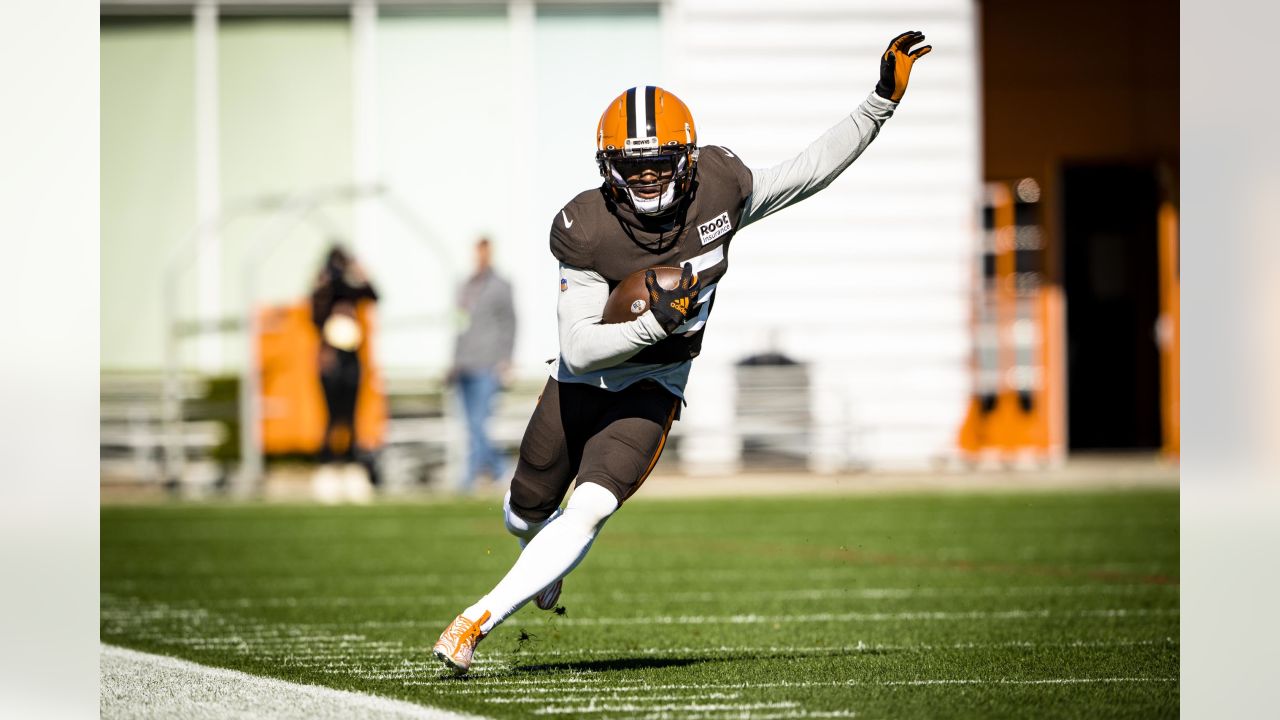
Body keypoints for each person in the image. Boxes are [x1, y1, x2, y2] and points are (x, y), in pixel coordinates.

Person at [432, 31, 931, 673]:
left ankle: (475, 622)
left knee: (587, 509)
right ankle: (538, 562)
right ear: (607, 167)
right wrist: (652, 324)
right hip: (582, 385)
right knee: (523, 512)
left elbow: (807, 172)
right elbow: (580, 351)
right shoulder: (585, 228)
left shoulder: (720, 189)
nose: (646, 177)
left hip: (652, 388)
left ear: (688, 162)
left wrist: (878, 103)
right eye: (634, 165)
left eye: (660, 163)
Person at [450, 238, 518, 492]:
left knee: (479, 423)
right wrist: (453, 361)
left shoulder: (500, 286)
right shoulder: (465, 286)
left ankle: (473, 478)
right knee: (471, 425)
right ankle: (498, 471)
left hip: (487, 364)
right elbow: (459, 326)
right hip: (464, 364)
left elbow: (510, 324)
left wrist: (506, 359)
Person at [310, 244, 379, 466]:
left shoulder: (350, 289)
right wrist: (319, 286)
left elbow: (374, 296)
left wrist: (361, 274)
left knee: (350, 415)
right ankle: (329, 456)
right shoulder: (325, 291)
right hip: (330, 358)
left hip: (350, 356)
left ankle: (351, 454)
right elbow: (315, 316)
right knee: (331, 415)